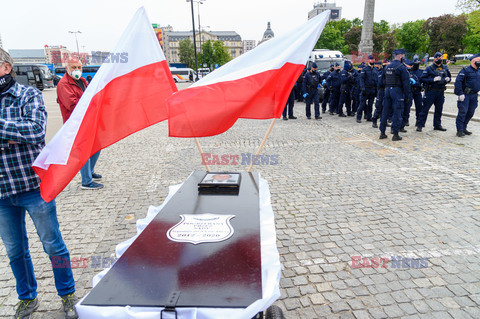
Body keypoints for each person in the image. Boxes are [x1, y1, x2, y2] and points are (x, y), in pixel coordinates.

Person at [0, 49, 78, 319]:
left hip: (33, 186)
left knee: (52, 244)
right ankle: (27, 297)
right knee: (14, 251)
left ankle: (67, 294)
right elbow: (21, 132)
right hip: (2, 192)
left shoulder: (27, 94)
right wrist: (11, 133)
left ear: (6, 67)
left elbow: (34, 131)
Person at [57, 57, 103, 189]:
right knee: (83, 151)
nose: (77, 70)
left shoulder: (82, 80)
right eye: (73, 67)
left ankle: (90, 171)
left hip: (88, 120)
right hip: (75, 123)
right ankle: (86, 181)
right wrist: (91, 104)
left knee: (97, 145)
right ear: (67, 68)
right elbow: (73, 105)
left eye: (79, 67)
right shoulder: (64, 84)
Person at [379, 49, 410, 141]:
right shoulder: (401, 67)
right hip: (397, 91)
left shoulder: (387, 67)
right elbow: (406, 83)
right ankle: (395, 134)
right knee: (397, 112)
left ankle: (382, 132)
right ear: (400, 56)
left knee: (385, 111)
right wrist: (407, 95)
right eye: (403, 55)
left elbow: (381, 82)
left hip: (387, 90)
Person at [416, 52, 451, 132]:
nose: (439, 60)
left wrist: (448, 79)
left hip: (440, 91)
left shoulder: (445, 67)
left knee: (439, 110)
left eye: (440, 58)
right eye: (438, 58)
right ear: (434, 59)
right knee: (425, 109)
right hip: (431, 91)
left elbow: (449, 77)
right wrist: (432, 80)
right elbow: (422, 79)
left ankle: (437, 125)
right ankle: (420, 125)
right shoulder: (429, 68)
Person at [454, 53, 480, 137]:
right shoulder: (465, 70)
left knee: (470, 112)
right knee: (462, 112)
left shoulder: (479, 71)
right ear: (474, 60)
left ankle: (464, 127)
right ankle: (459, 130)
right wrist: (460, 93)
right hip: (465, 95)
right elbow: (458, 82)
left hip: (474, 95)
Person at [356, 55, 378, 123]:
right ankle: (358, 117)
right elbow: (361, 79)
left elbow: (376, 80)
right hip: (366, 89)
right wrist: (362, 88)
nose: (372, 61)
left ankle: (369, 117)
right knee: (362, 104)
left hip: (372, 89)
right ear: (368, 60)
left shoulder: (375, 69)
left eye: (373, 59)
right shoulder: (364, 69)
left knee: (370, 104)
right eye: (371, 59)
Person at [372, 59, 388, 128]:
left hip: (387, 90)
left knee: (386, 107)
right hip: (381, 91)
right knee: (379, 107)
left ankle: (384, 121)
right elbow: (379, 83)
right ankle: (374, 120)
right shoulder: (380, 73)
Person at [411, 59, 424, 126]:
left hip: (418, 91)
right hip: (410, 91)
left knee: (419, 106)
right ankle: (405, 120)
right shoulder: (409, 71)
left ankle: (418, 120)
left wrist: (423, 87)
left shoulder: (421, 72)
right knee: (407, 106)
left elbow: (424, 80)